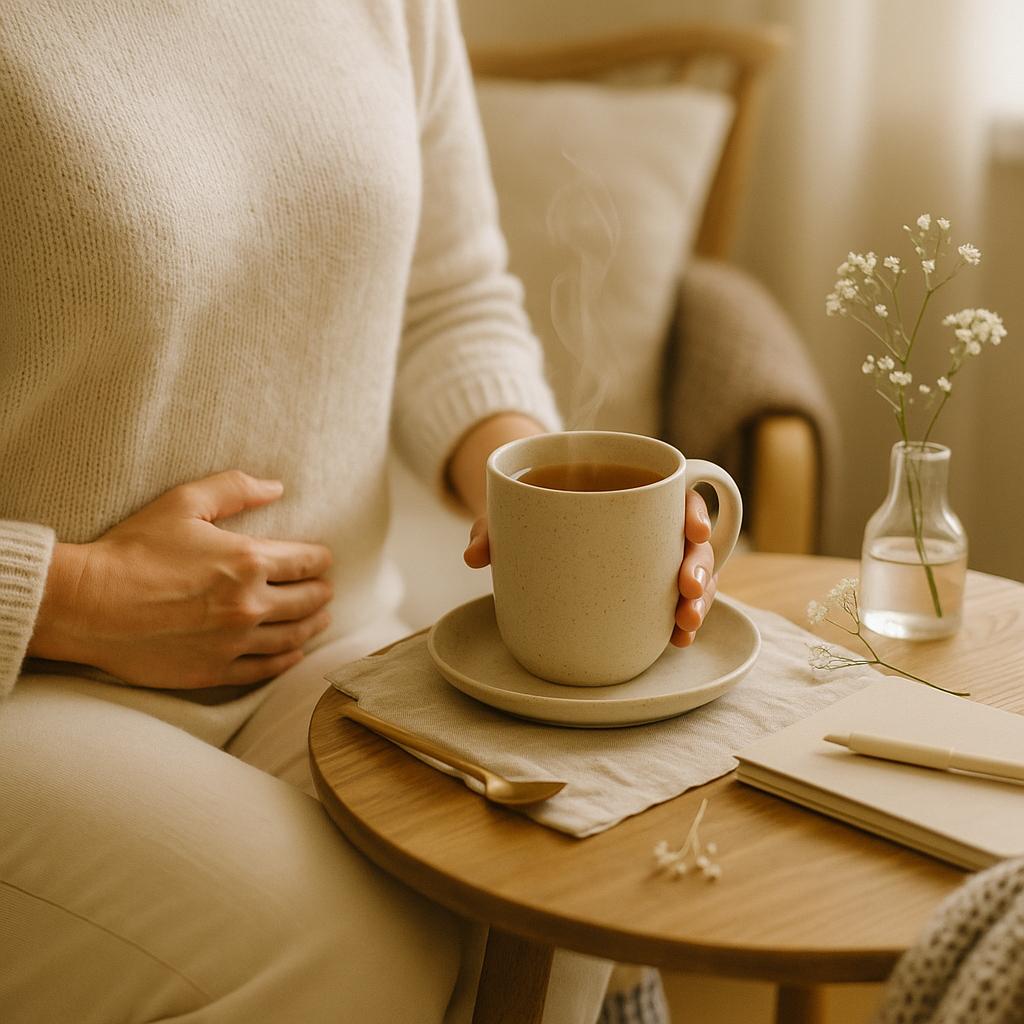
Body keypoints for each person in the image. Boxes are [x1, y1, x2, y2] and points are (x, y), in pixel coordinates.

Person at [0, 1, 716, 1021]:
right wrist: (71, 593)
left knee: (564, 873)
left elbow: (448, 297)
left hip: (328, 659)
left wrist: (540, 492)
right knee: (354, 961)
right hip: (31, 685)